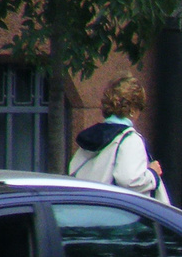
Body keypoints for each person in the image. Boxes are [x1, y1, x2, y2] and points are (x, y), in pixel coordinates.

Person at [68, 74, 169, 203]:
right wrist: (152, 173)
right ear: (132, 109)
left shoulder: (92, 136)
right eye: (140, 108)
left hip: (88, 209)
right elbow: (129, 180)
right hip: (115, 216)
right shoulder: (129, 139)